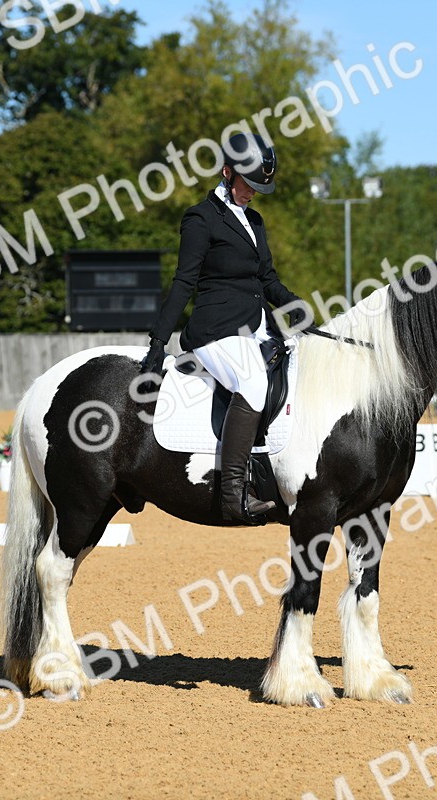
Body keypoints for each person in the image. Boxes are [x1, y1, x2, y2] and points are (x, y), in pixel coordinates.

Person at [139, 133, 306, 524]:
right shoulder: (200, 218)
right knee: (251, 383)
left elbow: (267, 278)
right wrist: (157, 343)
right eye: (249, 184)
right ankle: (233, 492)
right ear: (227, 172)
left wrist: (298, 309)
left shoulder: (254, 220)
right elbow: (184, 282)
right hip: (216, 329)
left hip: (259, 325)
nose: (254, 192)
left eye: (260, 186)